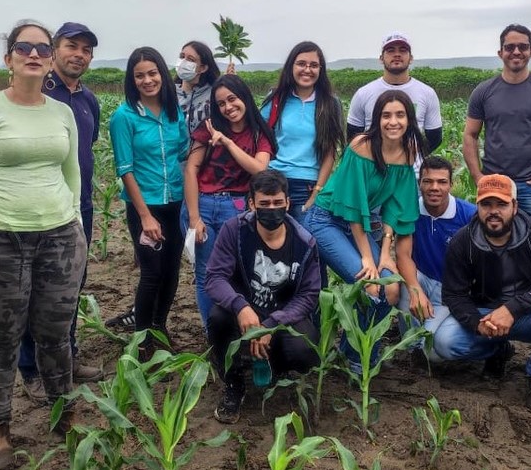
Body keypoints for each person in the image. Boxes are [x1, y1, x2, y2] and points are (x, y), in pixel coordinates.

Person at [0, 21, 86, 470]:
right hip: (0, 237)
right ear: (9, 59)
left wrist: (75, 221)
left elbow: (72, 171)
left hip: (59, 236)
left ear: (51, 59)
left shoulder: (62, 113)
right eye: (24, 47)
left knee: (56, 335)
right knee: (2, 336)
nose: (33, 54)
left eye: (42, 48)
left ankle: (63, 413)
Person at [303, 91, 431, 370]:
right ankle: (360, 360)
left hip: (361, 224)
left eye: (400, 115)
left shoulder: (408, 151)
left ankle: (352, 350)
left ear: (409, 119)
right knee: (371, 287)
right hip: (327, 220)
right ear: (377, 119)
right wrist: (367, 258)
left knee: (391, 289)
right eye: (386, 115)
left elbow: (395, 206)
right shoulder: (361, 146)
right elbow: (354, 206)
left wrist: (384, 254)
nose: (393, 122)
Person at [438, 175, 531, 413]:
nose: (493, 211)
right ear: (477, 206)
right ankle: (497, 349)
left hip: (528, 314)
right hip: (486, 315)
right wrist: (476, 323)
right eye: (486, 204)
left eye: (501, 204)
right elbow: (453, 294)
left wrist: (513, 309)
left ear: (515, 206)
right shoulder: (463, 241)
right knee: (445, 342)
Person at [18, 22, 102, 406]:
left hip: (79, 207)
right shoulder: (37, 92)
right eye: (72, 46)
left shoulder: (88, 101)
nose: (79, 55)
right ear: (54, 49)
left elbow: (86, 148)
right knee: (33, 291)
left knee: (70, 288)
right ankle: (31, 369)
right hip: (39, 210)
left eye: (86, 49)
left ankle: (66, 359)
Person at [204, 169, 322, 423]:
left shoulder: (304, 242)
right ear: (251, 204)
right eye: (264, 204)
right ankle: (233, 381)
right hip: (244, 314)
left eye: (278, 203)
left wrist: (272, 323)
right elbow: (214, 277)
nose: (272, 209)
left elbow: (308, 294)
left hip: (282, 317)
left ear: (288, 203)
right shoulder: (235, 230)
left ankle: (274, 366)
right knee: (218, 318)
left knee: (305, 349)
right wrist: (240, 306)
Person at [109, 46, 188, 358]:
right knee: (152, 273)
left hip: (175, 203)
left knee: (171, 271)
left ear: (162, 75)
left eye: (152, 73)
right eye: (139, 75)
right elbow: (125, 169)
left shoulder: (173, 112)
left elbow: (184, 152)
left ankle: (160, 325)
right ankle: (142, 339)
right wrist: (145, 216)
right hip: (146, 207)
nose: (147, 80)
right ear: (132, 80)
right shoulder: (124, 116)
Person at [185, 74, 276, 328]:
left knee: (237, 271)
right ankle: (212, 332)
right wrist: (194, 218)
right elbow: (191, 169)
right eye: (221, 103)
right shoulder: (208, 128)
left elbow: (259, 169)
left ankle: (237, 328)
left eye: (232, 99)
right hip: (202, 204)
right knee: (206, 272)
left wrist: (226, 142)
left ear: (244, 97)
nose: (228, 107)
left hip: (236, 207)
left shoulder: (259, 133)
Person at [463, 24, 531, 232]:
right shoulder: (483, 92)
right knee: (494, 245)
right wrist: (478, 177)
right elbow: (470, 135)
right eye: (510, 47)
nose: (516, 52)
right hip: (495, 186)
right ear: (500, 52)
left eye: (523, 47)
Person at [395, 156, 477, 351]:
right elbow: (403, 255)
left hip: (452, 289)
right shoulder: (410, 211)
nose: (434, 187)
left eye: (442, 182)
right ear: (419, 184)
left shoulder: (468, 215)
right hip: (422, 279)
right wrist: (415, 291)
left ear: (451, 185)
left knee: (430, 346)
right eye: (428, 181)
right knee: (401, 281)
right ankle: (411, 348)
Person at [261, 41, 346, 219]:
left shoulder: (330, 103)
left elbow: (329, 152)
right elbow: (260, 138)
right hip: (274, 182)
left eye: (313, 65)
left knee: (305, 234)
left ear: (321, 70)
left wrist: (317, 192)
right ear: (291, 66)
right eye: (301, 64)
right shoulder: (276, 98)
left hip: (307, 186)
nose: (307, 70)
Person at [346, 32, 443, 152]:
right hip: (372, 162)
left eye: (403, 50)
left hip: (411, 163)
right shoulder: (363, 94)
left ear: (411, 58)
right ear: (381, 58)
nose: (397, 54)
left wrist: (414, 156)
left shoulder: (427, 93)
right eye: (390, 50)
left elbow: (435, 137)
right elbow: (353, 135)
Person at [174, 40, 222, 133]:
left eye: (190, 59)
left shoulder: (214, 94)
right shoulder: (168, 93)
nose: (183, 62)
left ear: (202, 68)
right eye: (182, 56)